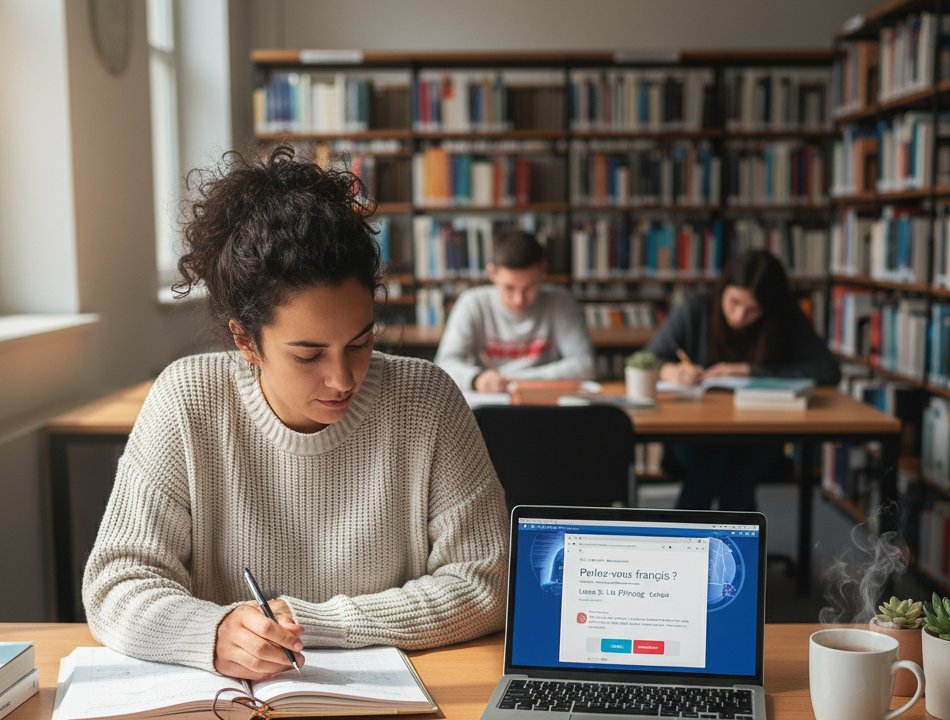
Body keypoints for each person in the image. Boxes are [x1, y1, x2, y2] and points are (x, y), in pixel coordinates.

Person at [82, 145, 508, 681]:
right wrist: (213, 633)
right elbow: (117, 582)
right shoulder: (187, 399)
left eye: (360, 342)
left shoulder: (426, 401)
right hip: (232, 707)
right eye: (308, 355)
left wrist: (315, 623)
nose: (343, 378)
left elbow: (485, 581)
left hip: (398, 709)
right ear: (246, 339)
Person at [646, 249, 841, 511]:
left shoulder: (783, 317)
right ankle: (740, 549)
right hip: (696, 433)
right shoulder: (698, 308)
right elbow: (645, 359)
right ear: (723, 290)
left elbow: (827, 370)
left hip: (758, 433)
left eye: (751, 310)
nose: (739, 316)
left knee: (729, 462)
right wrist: (670, 370)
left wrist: (750, 371)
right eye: (734, 303)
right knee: (721, 461)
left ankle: (685, 544)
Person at [434, 229, 595, 393]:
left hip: (544, 402)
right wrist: (477, 378)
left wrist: (514, 379)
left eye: (529, 287)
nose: (519, 299)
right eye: (509, 288)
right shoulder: (472, 303)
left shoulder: (560, 302)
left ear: (542, 272)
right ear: (492, 273)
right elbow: (445, 364)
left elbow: (585, 364)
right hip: (491, 403)